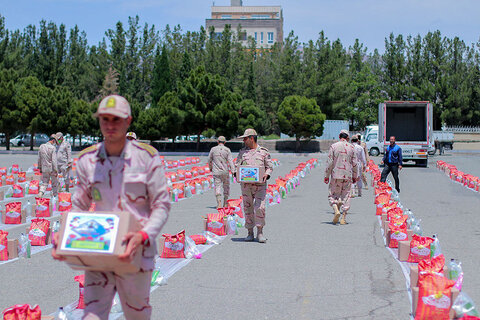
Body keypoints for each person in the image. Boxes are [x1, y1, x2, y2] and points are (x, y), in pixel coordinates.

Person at [52, 95, 171, 320]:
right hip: (100, 251)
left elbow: (162, 204)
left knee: (137, 315)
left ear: (128, 121)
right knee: (92, 314)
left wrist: (144, 235)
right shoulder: (88, 160)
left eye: (116, 119)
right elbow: (80, 203)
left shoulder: (146, 158)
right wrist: (64, 233)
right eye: (104, 119)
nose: (110, 125)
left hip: (136, 252)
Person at [235, 128, 273, 243]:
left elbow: (269, 167)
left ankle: (260, 232)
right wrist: (236, 173)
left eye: (245, 139)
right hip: (246, 186)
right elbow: (237, 165)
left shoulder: (263, 152)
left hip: (260, 185)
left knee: (260, 208)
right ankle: (250, 232)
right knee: (248, 208)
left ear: (252, 138)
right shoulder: (242, 152)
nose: (244, 141)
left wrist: (266, 174)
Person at [324, 130, 359, 225]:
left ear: (339, 136)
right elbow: (355, 164)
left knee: (333, 194)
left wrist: (326, 176)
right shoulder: (352, 147)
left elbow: (330, 163)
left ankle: (336, 210)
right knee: (346, 195)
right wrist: (355, 176)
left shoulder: (334, 146)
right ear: (347, 137)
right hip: (347, 175)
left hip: (336, 174)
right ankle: (343, 218)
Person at [208, 136, 235, 208]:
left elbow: (209, 160)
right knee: (226, 187)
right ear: (225, 142)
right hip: (225, 171)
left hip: (216, 171)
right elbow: (230, 161)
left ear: (217, 141)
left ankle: (219, 203)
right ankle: (225, 203)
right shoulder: (227, 150)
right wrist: (233, 171)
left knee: (217, 186)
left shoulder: (213, 149)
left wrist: (210, 168)